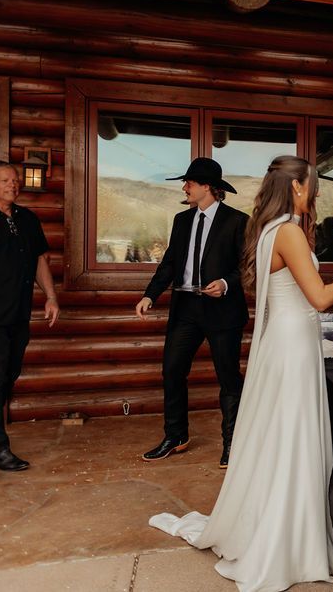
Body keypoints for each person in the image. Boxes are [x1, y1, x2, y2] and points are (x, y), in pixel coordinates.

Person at [150, 155, 333, 591]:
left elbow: (303, 289)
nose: (315, 192)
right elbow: (318, 299)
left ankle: (282, 526)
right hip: (292, 343)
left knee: (281, 434)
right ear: (297, 187)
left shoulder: (270, 228)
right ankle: (285, 538)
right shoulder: (288, 231)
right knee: (291, 434)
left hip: (285, 338)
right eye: (313, 184)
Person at [135, 157, 249, 468]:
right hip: (185, 308)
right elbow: (170, 263)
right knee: (172, 370)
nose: (185, 187)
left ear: (207, 187)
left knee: (228, 377)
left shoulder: (238, 221)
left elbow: (246, 266)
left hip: (223, 310)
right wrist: (150, 295)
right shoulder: (181, 220)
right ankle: (176, 436)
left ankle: (233, 444)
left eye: (189, 182)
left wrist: (225, 284)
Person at [0, 161, 59, 472]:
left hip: (18, 313)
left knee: (8, 375)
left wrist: (51, 296)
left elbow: (40, 260)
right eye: (4, 179)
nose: (13, 184)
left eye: (15, 179)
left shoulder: (27, 218)